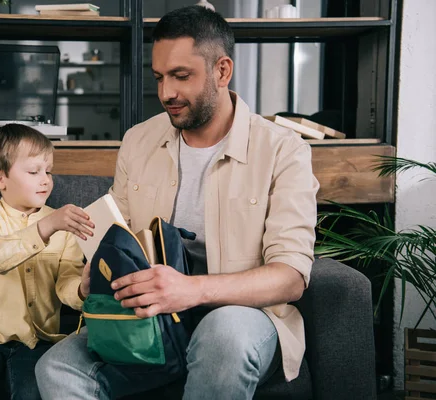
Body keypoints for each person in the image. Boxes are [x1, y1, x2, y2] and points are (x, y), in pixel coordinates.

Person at [35, 5, 319, 400]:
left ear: (222, 71)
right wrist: (98, 275)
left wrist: (192, 290)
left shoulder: (283, 150)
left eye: (181, 76)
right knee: (56, 367)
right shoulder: (138, 141)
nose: (167, 93)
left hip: (243, 317)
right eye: (160, 77)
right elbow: (119, 236)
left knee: (223, 338)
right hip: (149, 318)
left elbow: (290, 277)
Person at [0, 123, 95, 400]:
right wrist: (46, 227)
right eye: (34, 171)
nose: (46, 179)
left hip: (37, 340)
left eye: (48, 171)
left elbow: (66, 284)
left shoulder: (63, 224)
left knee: (31, 394)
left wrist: (82, 289)